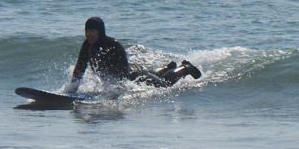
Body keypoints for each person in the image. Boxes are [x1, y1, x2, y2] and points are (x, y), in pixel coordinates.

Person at [61, 16, 201, 93]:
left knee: (164, 85)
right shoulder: (87, 45)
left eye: (92, 31)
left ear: (100, 31)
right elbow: (80, 68)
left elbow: (122, 72)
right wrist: (72, 89)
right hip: (131, 74)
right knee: (156, 77)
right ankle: (166, 67)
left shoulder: (113, 45)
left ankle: (185, 68)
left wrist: (119, 89)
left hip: (133, 77)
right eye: (87, 30)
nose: (89, 34)